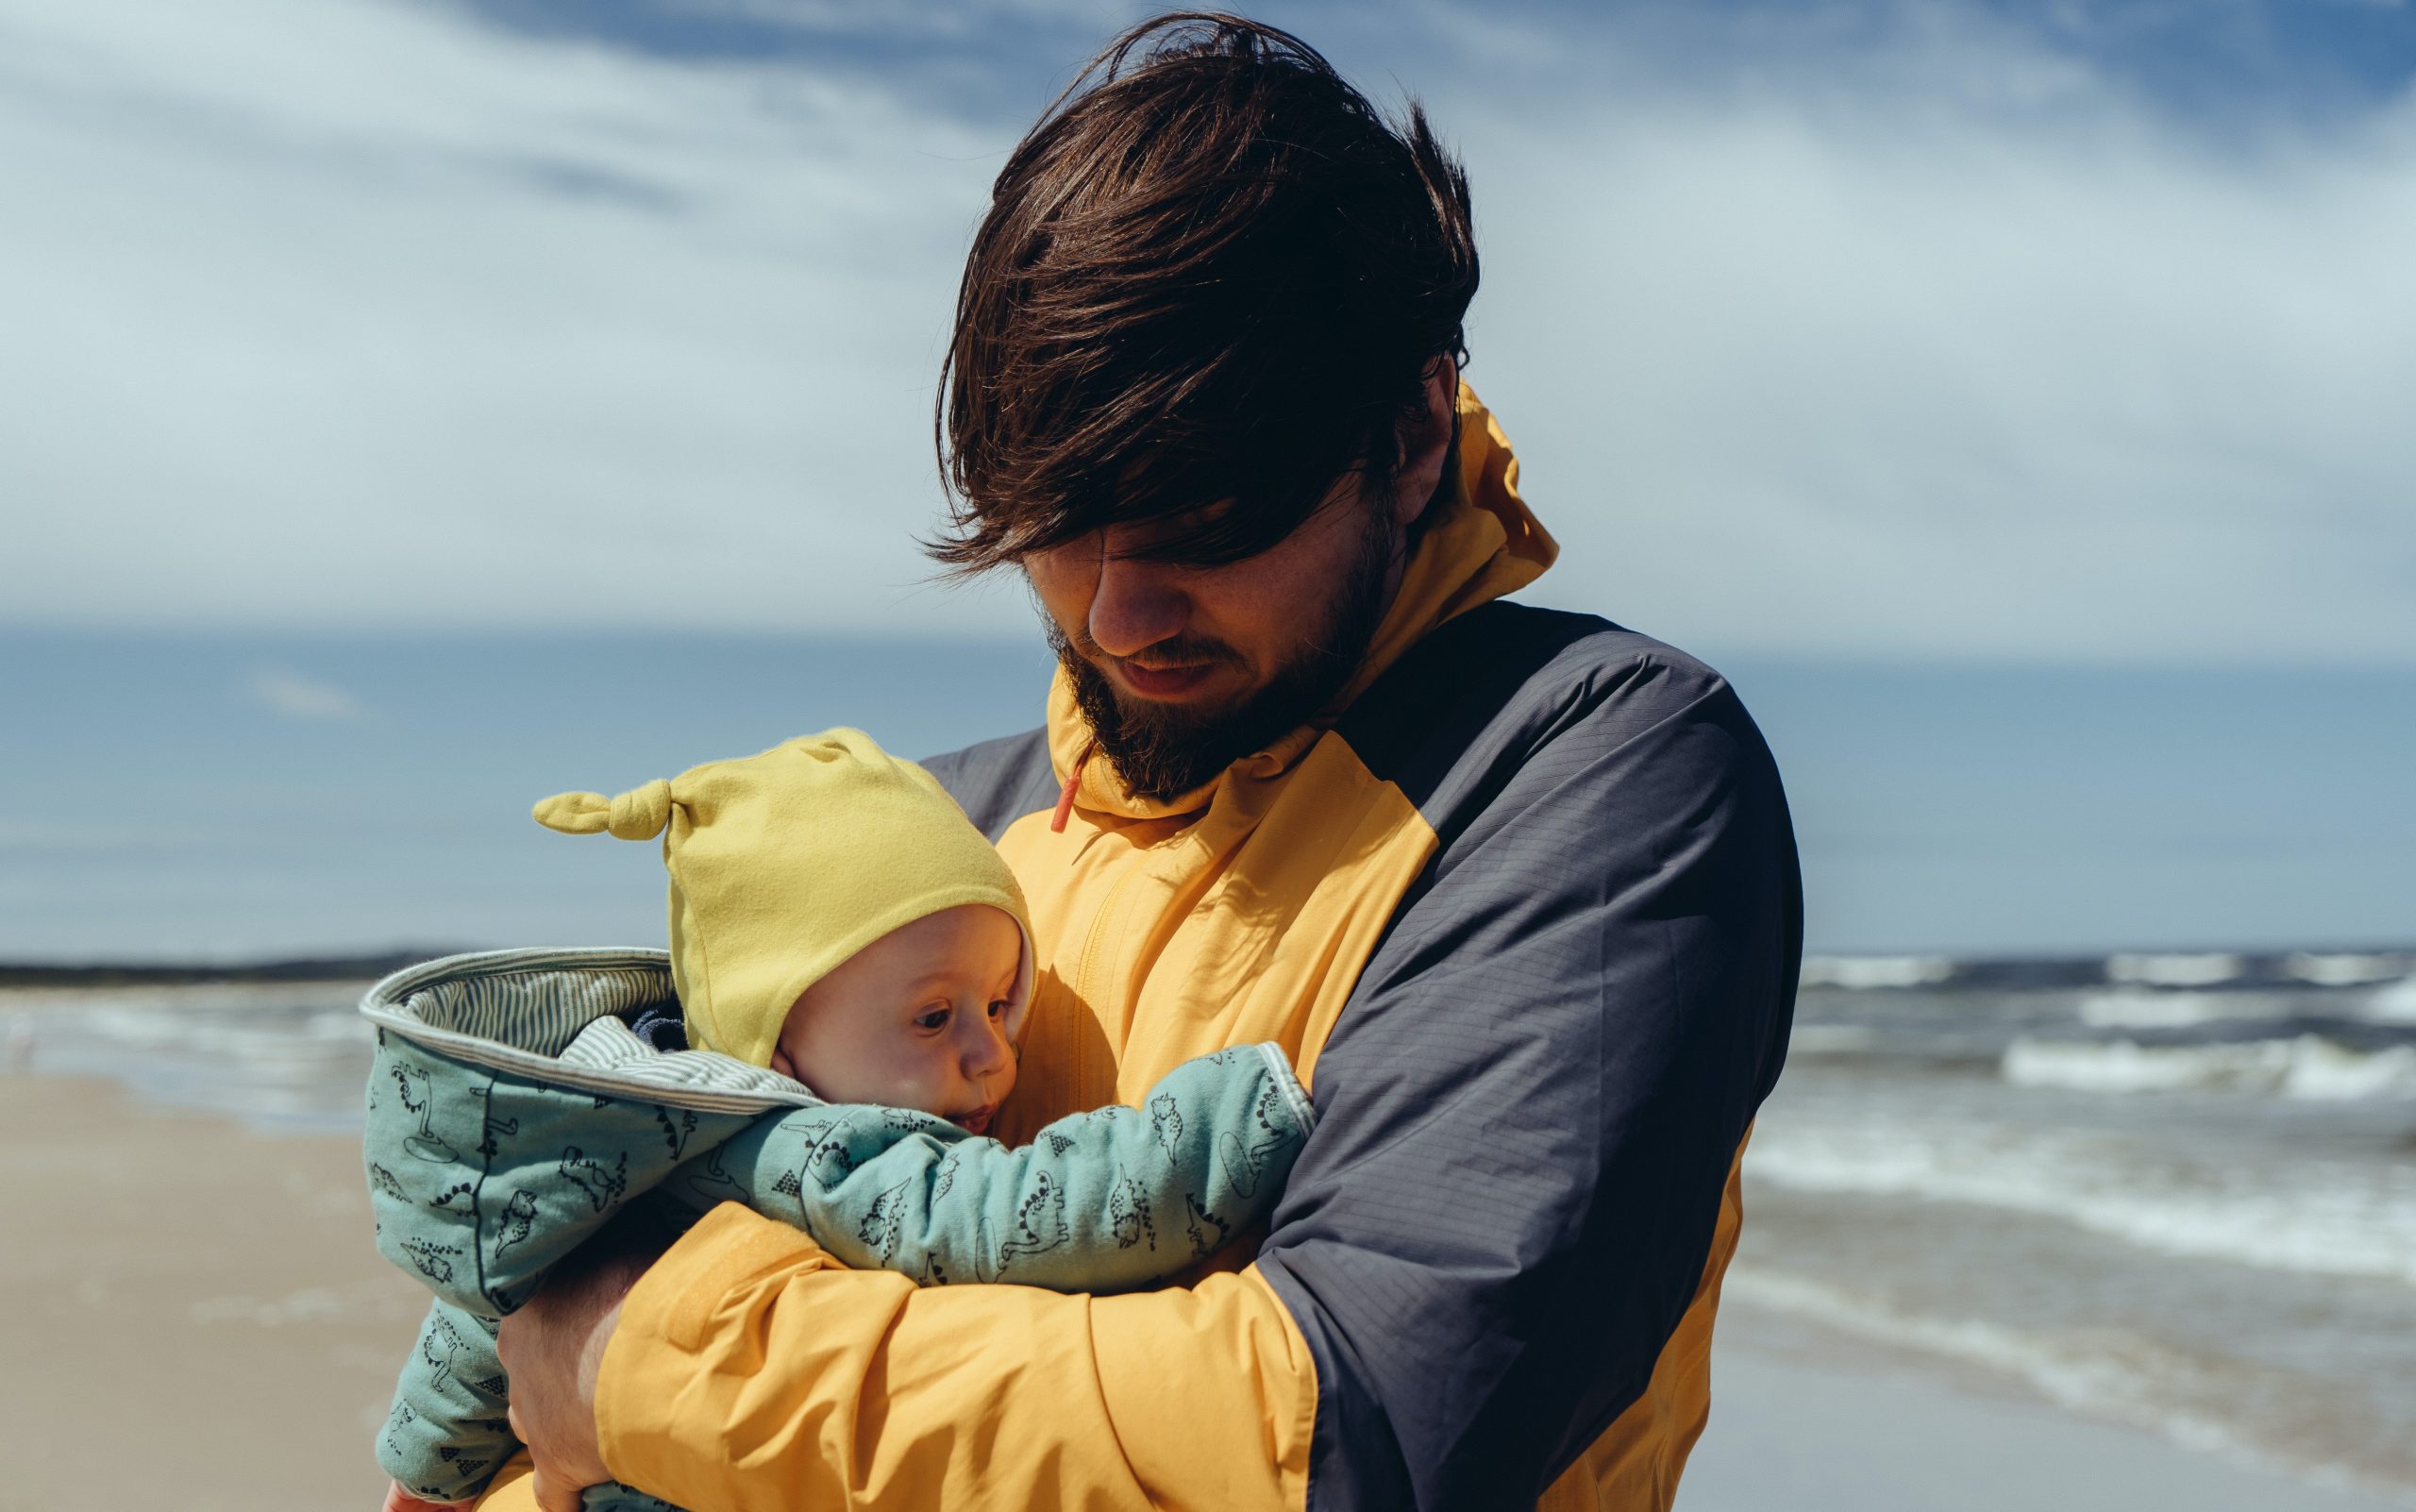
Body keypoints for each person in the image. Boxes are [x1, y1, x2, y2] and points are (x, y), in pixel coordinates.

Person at [485, 15, 1800, 1512]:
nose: (1115, 618)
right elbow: (594, 1255)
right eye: (1053, 526)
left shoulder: (1591, 774)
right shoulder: (943, 837)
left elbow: (1347, 1434)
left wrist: (646, 1370)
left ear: (1417, 430)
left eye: (1207, 519)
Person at [362, 730, 1313, 1510]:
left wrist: (425, 1479)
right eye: (933, 1018)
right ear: (775, 1046)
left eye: (998, 1003)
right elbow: (1033, 1215)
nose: (991, 1055)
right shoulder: (818, 1151)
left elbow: (476, 1324)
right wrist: (1238, 1115)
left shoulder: (618, 1135)